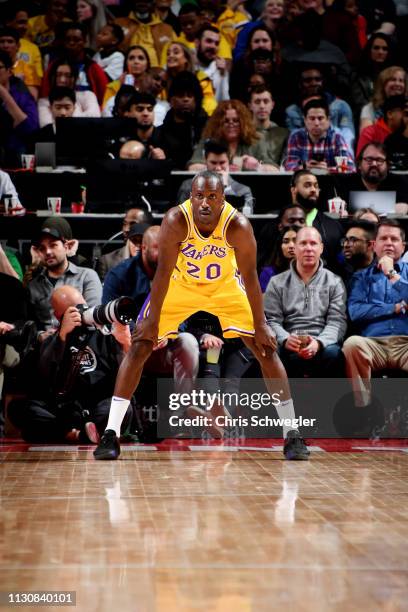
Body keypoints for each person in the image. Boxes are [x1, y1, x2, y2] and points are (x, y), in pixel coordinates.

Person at [94, 170, 310, 461]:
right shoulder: (175, 220)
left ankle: (292, 433)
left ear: (222, 200)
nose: (205, 203)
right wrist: (152, 318)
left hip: (225, 288)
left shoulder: (238, 225)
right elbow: (163, 272)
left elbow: (250, 276)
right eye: (199, 196)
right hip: (181, 286)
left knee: (265, 347)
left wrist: (261, 324)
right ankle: (111, 434)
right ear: (191, 198)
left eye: (212, 197)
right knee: (141, 343)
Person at [8, 285, 134, 443]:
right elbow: (45, 374)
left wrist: (125, 345)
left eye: (83, 307)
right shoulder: (53, 338)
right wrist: (61, 337)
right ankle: (77, 435)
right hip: (63, 411)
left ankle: (76, 434)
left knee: (122, 407)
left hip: (97, 406)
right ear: (58, 315)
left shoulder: (105, 334)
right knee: (20, 409)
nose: (81, 313)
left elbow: (126, 376)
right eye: (74, 310)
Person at [342, 220, 408, 414]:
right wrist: (394, 307)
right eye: (383, 238)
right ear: (374, 245)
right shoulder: (361, 277)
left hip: (405, 344)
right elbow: (356, 312)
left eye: (394, 239)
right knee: (352, 344)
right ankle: (364, 411)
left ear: (403, 247)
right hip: (373, 344)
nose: (389, 243)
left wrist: (391, 274)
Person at [265, 226, 347, 378]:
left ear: (321, 248)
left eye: (313, 243)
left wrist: (319, 343)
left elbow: (337, 322)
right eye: (303, 243)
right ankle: (282, 401)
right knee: (270, 351)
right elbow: (271, 320)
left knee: (334, 354)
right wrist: (285, 339)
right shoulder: (277, 282)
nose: (308, 248)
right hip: (289, 341)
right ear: (294, 248)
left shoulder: (335, 281)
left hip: (323, 343)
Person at [27, 227, 102, 334]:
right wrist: (40, 336)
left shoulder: (87, 275)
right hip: (47, 346)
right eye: (42, 248)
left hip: (81, 341)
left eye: (53, 245)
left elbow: (95, 316)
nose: (47, 252)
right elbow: (30, 323)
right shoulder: (33, 285)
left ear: (66, 247)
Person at [188, 99, 280, 172]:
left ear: (243, 123)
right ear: (218, 124)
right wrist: (227, 164)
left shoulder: (255, 140)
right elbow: (193, 167)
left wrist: (257, 166)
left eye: (236, 121)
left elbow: (274, 169)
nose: (231, 124)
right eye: (226, 121)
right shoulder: (209, 140)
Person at [285, 65, 355, 152]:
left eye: (317, 79)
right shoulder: (292, 111)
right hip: (306, 155)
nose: (313, 83)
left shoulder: (341, 106)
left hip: (335, 152)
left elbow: (348, 136)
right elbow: (294, 140)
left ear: (323, 81)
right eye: (308, 80)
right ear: (300, 84)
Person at [176, 139, 254, 211]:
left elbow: (244, 220)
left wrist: (225, 188)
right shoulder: (188, 187)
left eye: (222, 162)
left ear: (228, 161)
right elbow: (182, 217)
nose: (218, 168)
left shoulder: (243, 191)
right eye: (213, 163)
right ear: (205, 161)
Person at [283, 98, 355, 172]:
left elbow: (348, 168)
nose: (316, 123)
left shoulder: (337, 138)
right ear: (305, 120)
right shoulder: (296, 137)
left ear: (328, 120)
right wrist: (305, 167)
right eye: (312, 118)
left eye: (320, 118)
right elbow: (288, 166)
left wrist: (327, 170)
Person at [159, 71, 208, 170]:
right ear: (172, 99)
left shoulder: (209, 128)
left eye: (190, 95)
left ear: (197, 99)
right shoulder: (161, 131)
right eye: (181, 95)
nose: (186, 99)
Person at [0, 49, 39, 167]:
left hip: (15, 154)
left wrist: (3, 92)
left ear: (9, 71)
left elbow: (31, 129)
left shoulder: (23, 95)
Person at [37, 57, 101, 127]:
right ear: (52, 77)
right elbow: (47, 127)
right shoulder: (44, 102)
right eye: (58, 75)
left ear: (75, 78)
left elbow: (94, 119)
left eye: (68, 75)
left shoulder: (87, 95)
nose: (62, 80)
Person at [96, 207, 152, 281]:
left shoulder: (159, 259)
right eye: (124, 224)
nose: (126, 229)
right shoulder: (107, 261)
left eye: (133, 224)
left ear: (148, 226)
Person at [114, 0, 175, 65]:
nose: (142, 2)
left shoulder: (167, 29)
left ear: (153, 2)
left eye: (146, 1)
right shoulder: (119, 23)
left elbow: (176, 52)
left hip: (157, 73)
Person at [247, 84, 288, 167]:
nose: (262, 106)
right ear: (250, 106)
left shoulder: (284, 134)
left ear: (272, 105)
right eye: (257, 102)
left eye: (266, 101)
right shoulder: (243, 132)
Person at [360, 66, 407, 132]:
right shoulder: (370, 108)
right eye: (393, 80)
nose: (397, 83)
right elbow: (366, 137)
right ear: (383, 83)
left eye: (401, 80)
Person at [0, 26, 42, 100]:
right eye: (2, 41)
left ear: (18, 46)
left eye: (10, 41)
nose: (5, 45)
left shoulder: (30, 70)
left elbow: (32, 98)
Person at [258, 225, 299, 292]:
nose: (291, 245)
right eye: (286, 241)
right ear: (279, 246)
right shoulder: (268, 273)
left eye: (295, 241)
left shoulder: (311, 272)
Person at [195, 25, 230, 103]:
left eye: (216, 43)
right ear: (197, 43)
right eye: (209, 41)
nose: (213, 46)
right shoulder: (187, 63)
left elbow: (224, 102)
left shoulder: (220, 69)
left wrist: (223, 74)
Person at [340, 219, 375, 287]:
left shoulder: (384, 275)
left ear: (370, 245)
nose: (346, 245)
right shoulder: (339, 273)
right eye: (346, 240)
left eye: (353, 240)